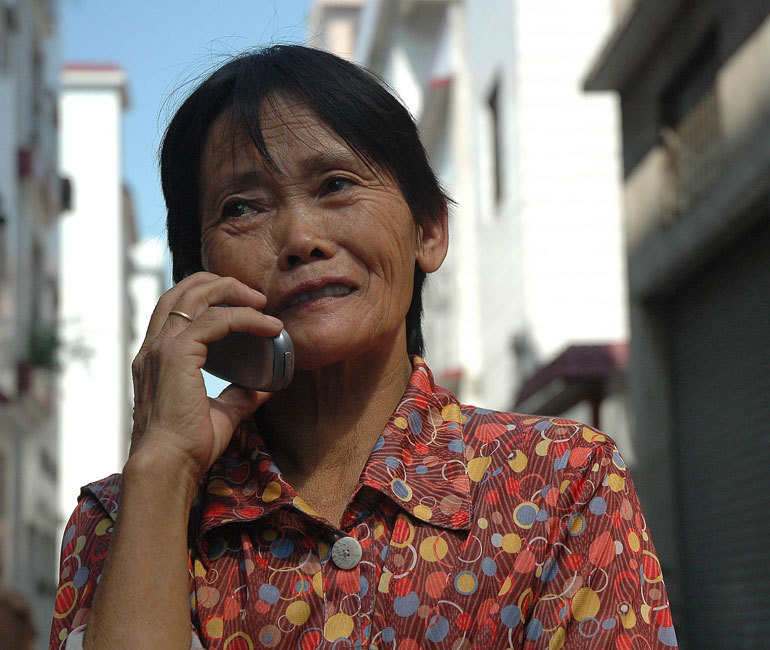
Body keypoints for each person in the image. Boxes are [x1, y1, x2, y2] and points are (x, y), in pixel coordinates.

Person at [49, 45, 676, 649]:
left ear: (428, 230)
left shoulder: (562, 482)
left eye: (335, 184)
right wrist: (163, 466)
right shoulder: (119, 520)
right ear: (197, 277)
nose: (301, 237)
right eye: (241, 207)